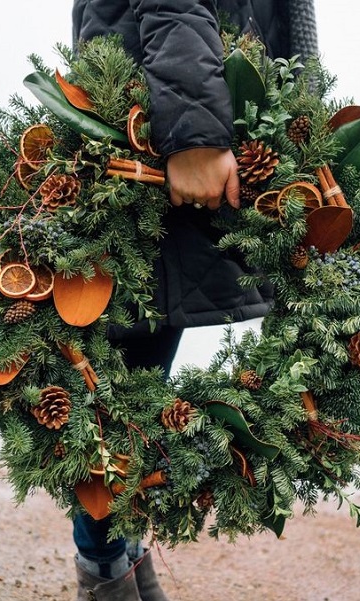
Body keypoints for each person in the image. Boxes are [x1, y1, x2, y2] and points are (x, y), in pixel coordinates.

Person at [71, 1, 318, 599]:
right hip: (158, 116)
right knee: (113, 373)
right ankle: (105, 568)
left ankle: (120, 559)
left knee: (144, 360)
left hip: (225, 106)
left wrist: (301, 124)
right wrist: (195, 129)